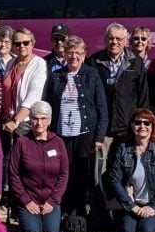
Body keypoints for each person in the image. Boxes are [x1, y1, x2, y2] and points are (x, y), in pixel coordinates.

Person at [44, 35, 108, 216]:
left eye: (78, 53)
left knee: (82, 173)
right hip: (61, 133)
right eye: (70, 52)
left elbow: (101, 106)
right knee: (64, 172)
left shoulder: (91, 74)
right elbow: (48, 104)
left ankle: (79, 212)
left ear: (84, 54)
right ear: (64, 53)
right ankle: (63, 210)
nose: (74, 57)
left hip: (85, 132)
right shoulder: (56, 76)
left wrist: (99, 137)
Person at [105, 108, 155, 232]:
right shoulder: (123, 148)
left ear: (152, 126)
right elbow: (114, 179)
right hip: (132, 202)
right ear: (132, 125)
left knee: (146, 231)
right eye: (138, 122)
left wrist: (153, 206)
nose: (142, 126)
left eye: (147, 123)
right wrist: (132, 206)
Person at [87, 22, 150, 151]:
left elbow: (143, 96)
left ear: (126, 41)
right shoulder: (94, 61)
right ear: (105, 40)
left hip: (127, 129)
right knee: (101, 170)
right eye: (111, 38)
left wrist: (140, 124)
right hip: (102, 130)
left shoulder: (136, 62)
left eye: (118, 39)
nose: (114, 42)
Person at [9, 101, 69, 232]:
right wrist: (26, 201)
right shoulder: (22, 142)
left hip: (50, 199)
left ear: (50, 120)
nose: (39, 123)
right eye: (35, 118)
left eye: (43, 118)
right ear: (30, 120)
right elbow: (13, 174)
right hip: (28, 199)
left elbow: (63, 174)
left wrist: (52, 201)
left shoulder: (58, 143)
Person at [1, 27, 48, 140]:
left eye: (26, 43)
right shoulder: (10, 63)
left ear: (33, 43)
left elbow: (33, 96)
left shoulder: (39, 64)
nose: (22, 46)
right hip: (7, 120)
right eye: (17, 44)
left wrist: (16, 121)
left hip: (25, 123)